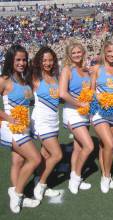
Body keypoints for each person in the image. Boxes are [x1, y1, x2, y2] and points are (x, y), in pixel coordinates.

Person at [0, 45, 41, 213]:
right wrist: (9, 118)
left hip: (23, 126)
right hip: (11, 127)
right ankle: (18, 194)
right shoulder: (4, 79)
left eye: (24, 59)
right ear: (11, 60)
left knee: (18, 161)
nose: (22, 63)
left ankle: (17, 191)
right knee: (35, 159)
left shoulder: (25, 80)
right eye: (18, 59)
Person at [59, 39, 94, 194]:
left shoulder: (86, 70)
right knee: (89, 146)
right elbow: (62, 93)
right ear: (69, 55)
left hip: (84, 113)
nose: (77, 55)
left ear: (83, 53)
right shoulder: (67, 70)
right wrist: (79, 104)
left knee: (78, 148)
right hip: (72, 112)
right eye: (73, 53)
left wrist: (92, 76)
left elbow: (90, 92)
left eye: (79, 52)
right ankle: (76, 178)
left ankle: (74, 175)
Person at [90, 39, 113, 193]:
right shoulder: (97, 68)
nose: (111, 54)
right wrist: (101, 99)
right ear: (104, 52)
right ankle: (106, 176)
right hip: (99, 111)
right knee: (110, 144)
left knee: (104, 145)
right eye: (109, 51)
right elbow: (91, 91)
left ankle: (107, 175)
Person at [30, 47, 62, 201]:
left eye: (50, 60)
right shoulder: (35, 78)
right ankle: (41, 184)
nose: (48, 63)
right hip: (41, 121)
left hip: (54, 120)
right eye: (44, 60)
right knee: (57, 154)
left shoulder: (55, 77)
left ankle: (40, 179)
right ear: (39, 61)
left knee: (46, 154)